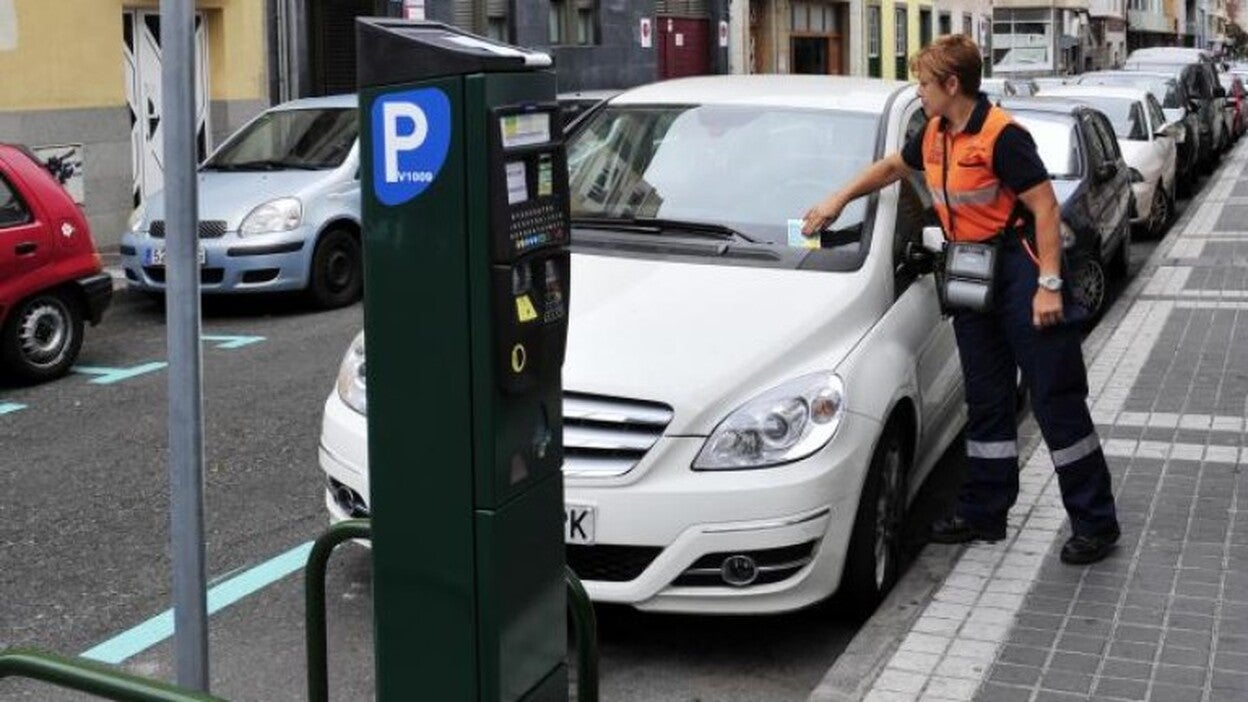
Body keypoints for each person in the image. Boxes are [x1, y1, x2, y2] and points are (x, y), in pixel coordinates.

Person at [801, 35, 1121, 565]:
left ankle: (1095, 523)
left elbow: (1045, 209)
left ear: (952, 85)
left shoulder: (1002, 137)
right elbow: (892, 168)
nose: (919, 92)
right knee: (986, 398)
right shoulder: (935, 132)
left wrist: (1048, 286)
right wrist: (838, 199)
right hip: (973, 270)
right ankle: (984, 512)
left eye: (924, 83)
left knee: (1055, 398)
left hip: (1021, 269)